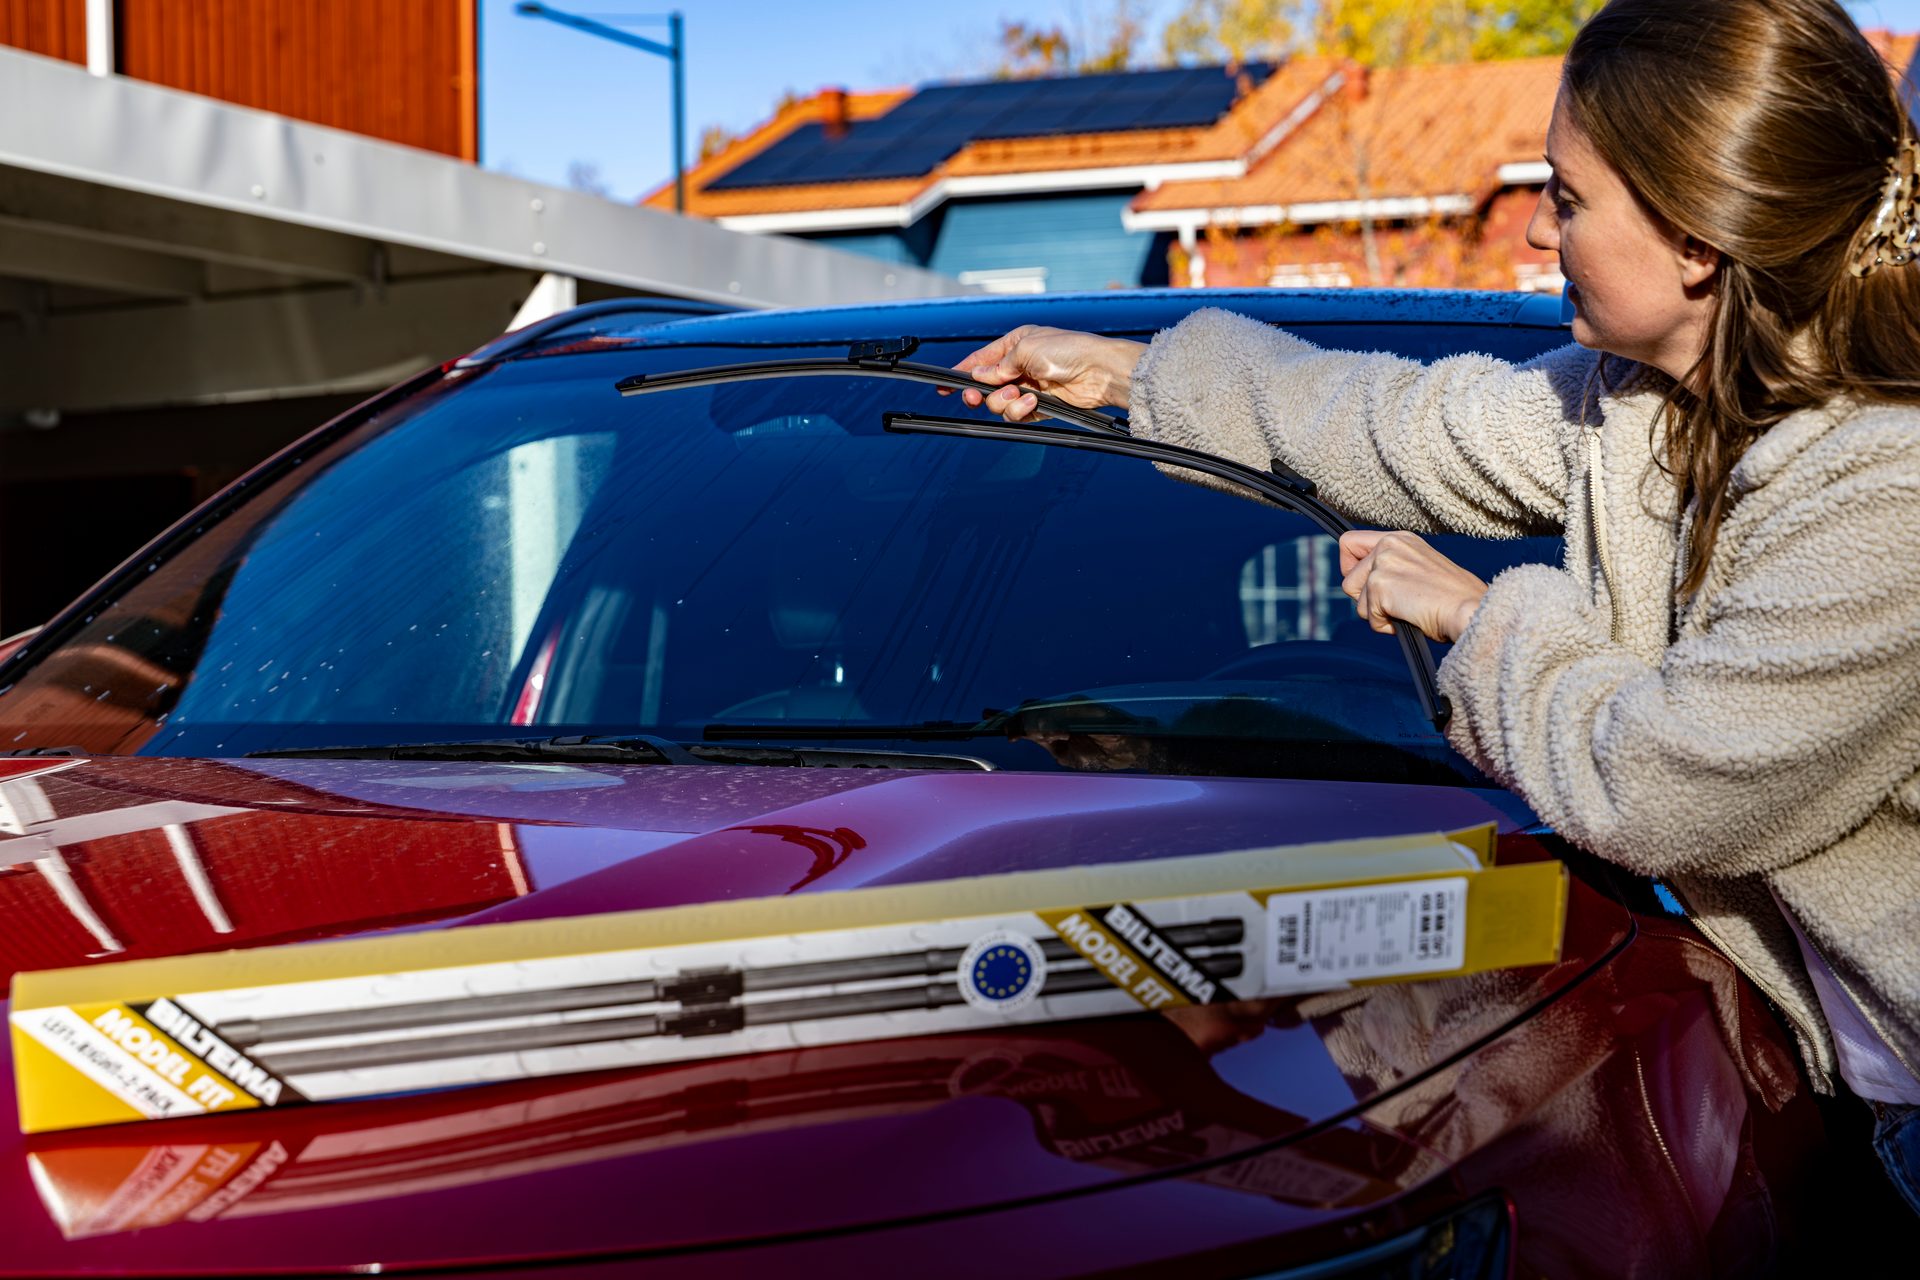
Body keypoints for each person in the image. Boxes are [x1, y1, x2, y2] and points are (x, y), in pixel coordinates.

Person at [944, 0, 1920, 1216]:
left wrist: (1478, 615)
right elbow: (1395, 423)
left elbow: (1670, 784)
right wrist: (1132, 371)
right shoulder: (1645, 411)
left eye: (1565, 197)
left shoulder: (1888, 485)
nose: (1529, 231)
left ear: (1694, 239)